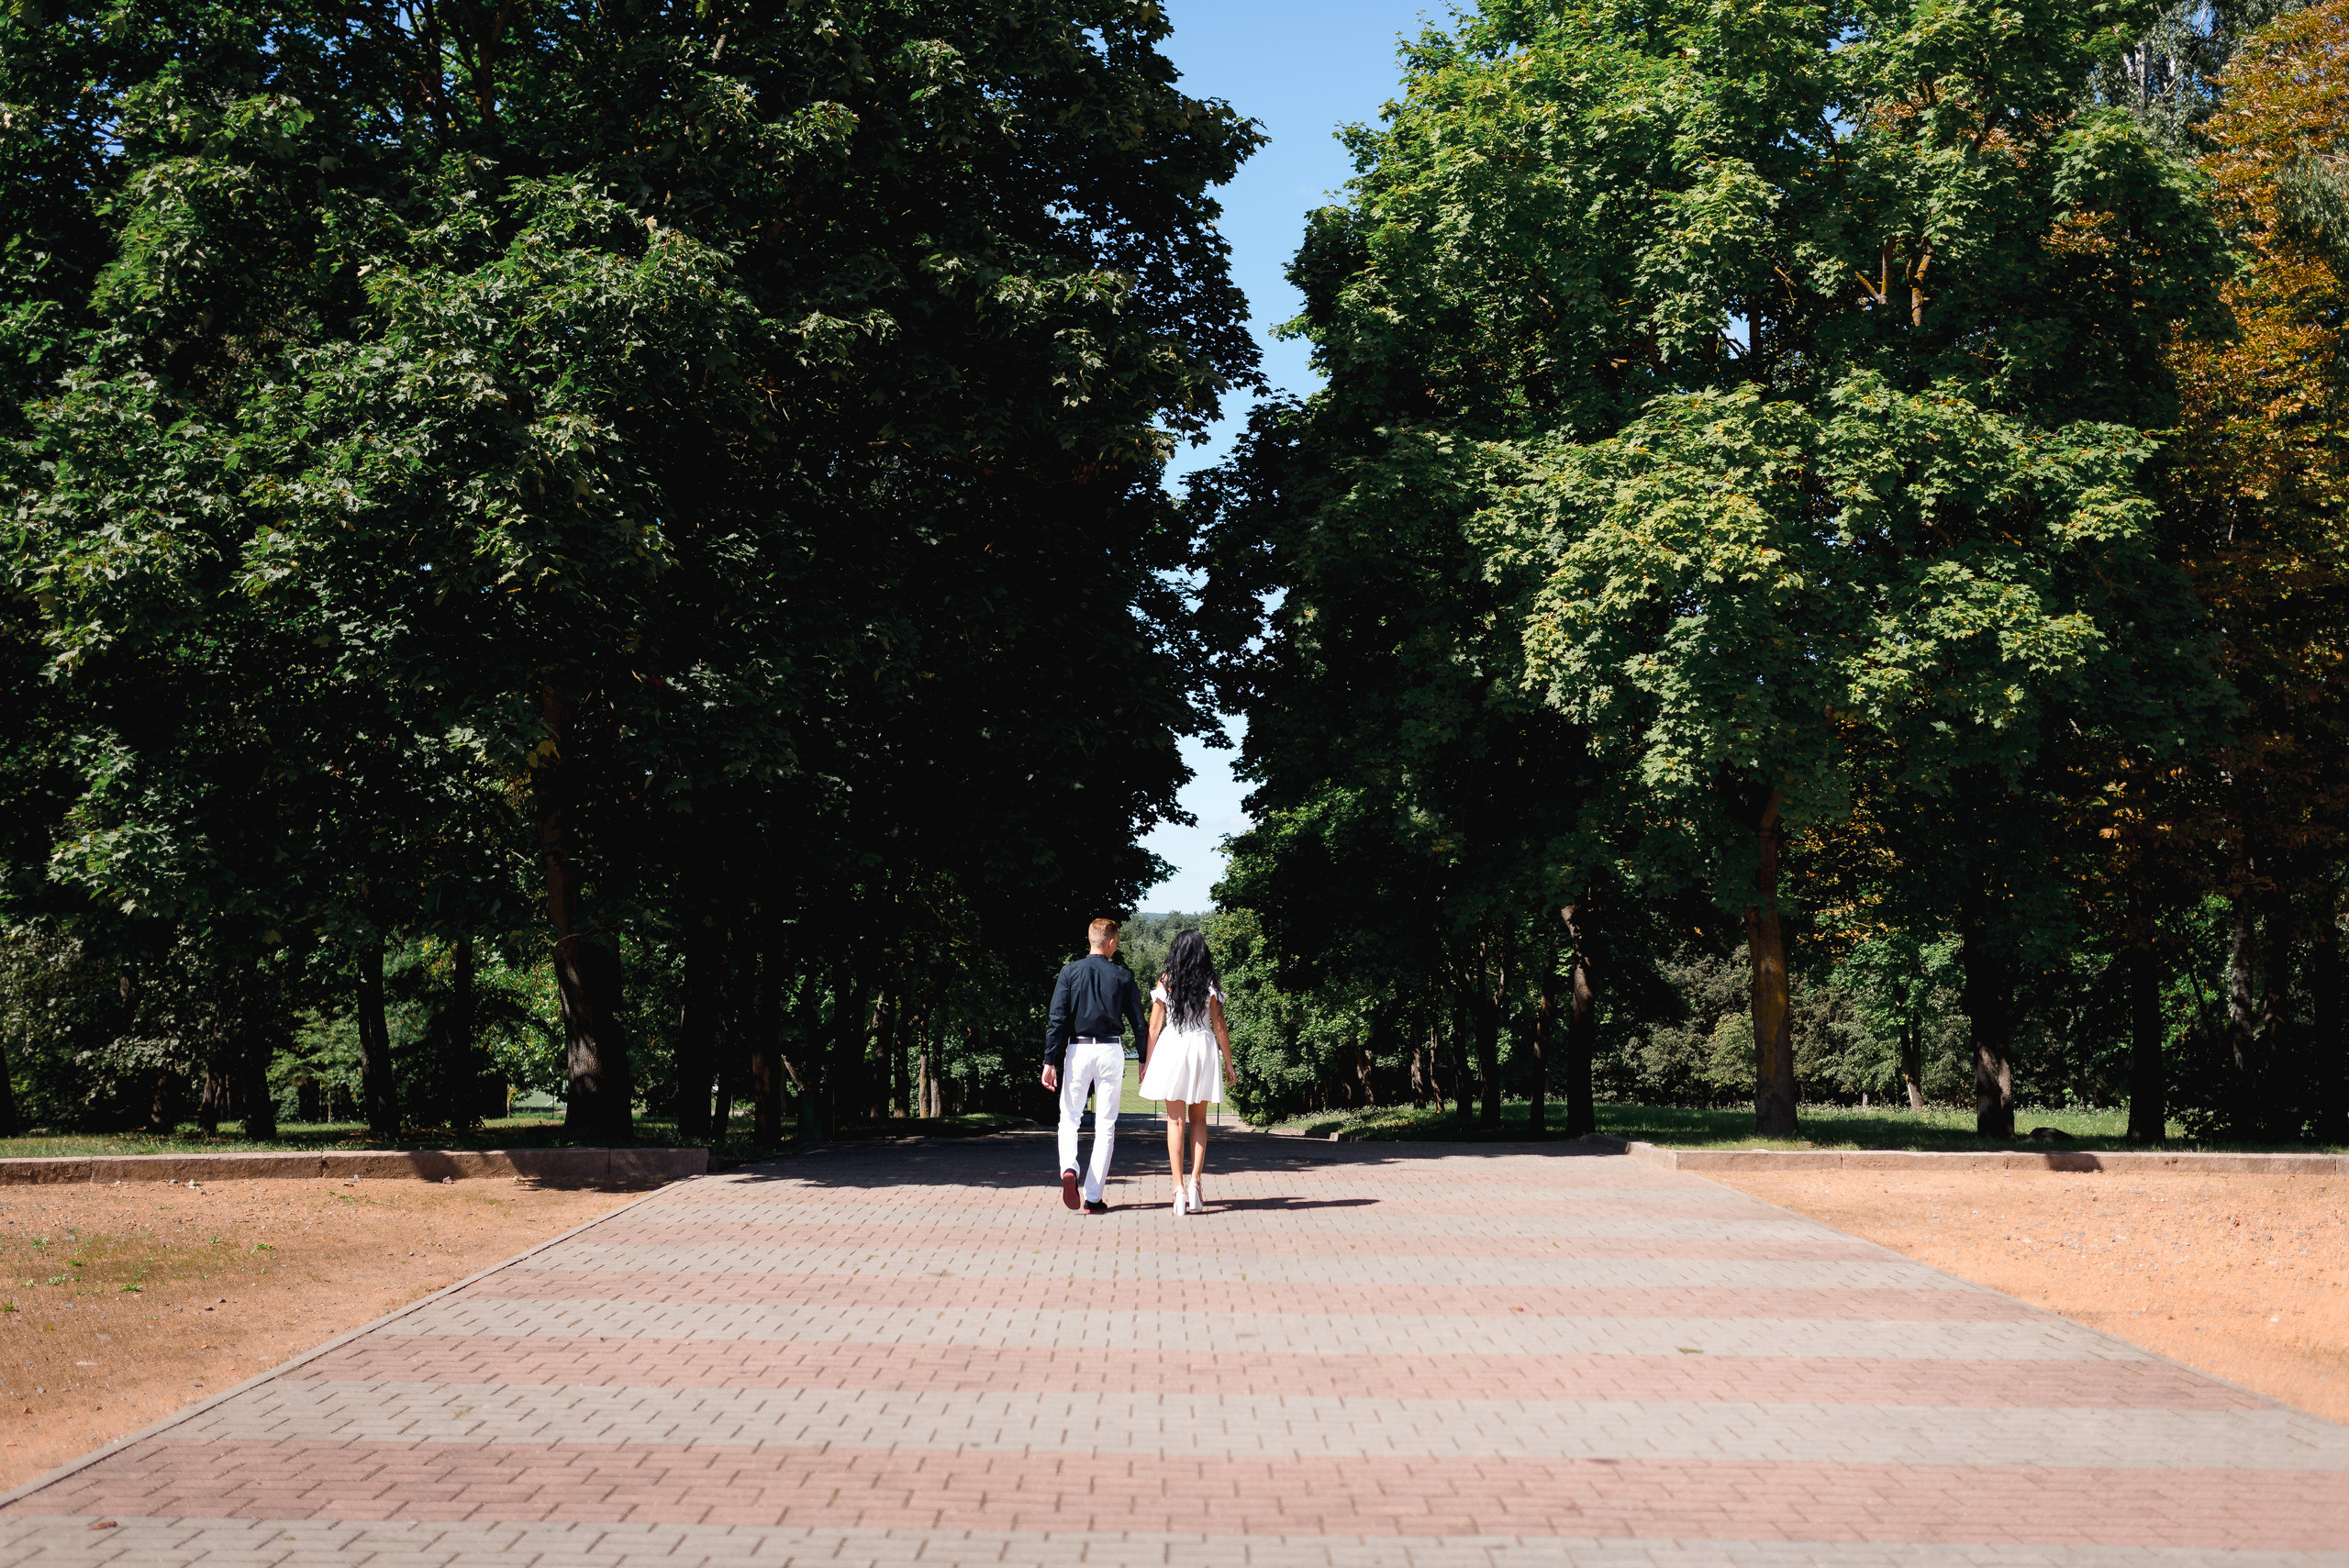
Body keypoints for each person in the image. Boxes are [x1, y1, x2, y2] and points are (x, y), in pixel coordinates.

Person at [1043, 917, 1146, 1214]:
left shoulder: (1069, 973)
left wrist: (1050, 1060)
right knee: (1105, 1127)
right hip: (1111, 1051)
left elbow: (1057, 1020)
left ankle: (1068, 1168)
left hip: (1077, 1050)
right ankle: (1093, 1197)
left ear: (1090, 939)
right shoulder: (1123, 976)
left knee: (1070, 1118)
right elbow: (1139, 1023)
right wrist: (1143, 1059)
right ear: (1111, 942)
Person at [1138, 928, 1235, 1220]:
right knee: (1200, 1120)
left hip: (1174, 1046)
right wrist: (1229, 1062)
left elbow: (1154, 1029)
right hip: (1202, 1047)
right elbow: (1219, 1027)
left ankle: (1178, 1188)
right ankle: (1195, 1182)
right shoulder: (1210, 984)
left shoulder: (1166, 982)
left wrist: (1146, 1062)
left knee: (1175, 1120)